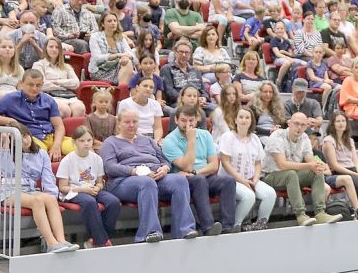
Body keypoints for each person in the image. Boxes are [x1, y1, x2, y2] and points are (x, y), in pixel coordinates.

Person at [100, 109, 199, 242]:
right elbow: (109, 167)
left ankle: (184, 229)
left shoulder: (147, 140)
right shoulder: (110, 142)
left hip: (156, 176)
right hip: (124, 181)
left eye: (134, 122)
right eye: (127, 122)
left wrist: (165, 168)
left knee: (179, 180)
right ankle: (149, 232)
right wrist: (134, 171)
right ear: (119, 123)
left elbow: (164, 159)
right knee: (146, 182)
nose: (131, 125)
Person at [0, 122, 78, 253]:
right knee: (37, 201)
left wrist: (52, 194)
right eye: (19, 138)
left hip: (31, 190)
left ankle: (61, 241)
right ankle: (51, 243)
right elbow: (6, 169)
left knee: (50, 199)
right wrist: (5, 146)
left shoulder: (41, 154)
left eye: (26, 135)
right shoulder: (8, 153)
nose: (25, 140)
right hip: (10, 191)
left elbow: (48, 176)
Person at [161, 105, 236, 235]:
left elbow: (213, 165)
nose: (188, 124)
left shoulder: (205, 135)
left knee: (228, 181)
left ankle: (227, 226)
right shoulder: (169, 141)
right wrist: (191, 140)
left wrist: (196, 172)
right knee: (199, 181)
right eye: (184, 120)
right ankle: (207, 227)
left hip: (201, 175)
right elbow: (187, 166)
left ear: (196, 120)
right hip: (182, 182)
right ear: (176, 121)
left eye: (191, 121)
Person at [262, 112, 342, 227]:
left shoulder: (304, 137)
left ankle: (320, 213)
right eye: (296, 124)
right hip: (271, 176)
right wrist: (310, 166)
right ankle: (301, 215)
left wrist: (318, 165)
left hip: (292, 176)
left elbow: (310, 159)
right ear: (289, 123)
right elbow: (282, 165)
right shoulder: (277, 136)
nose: (299, 127)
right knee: (291, 174)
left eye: (303, 125)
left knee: (316, 171)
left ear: (306, 127)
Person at [0, 69, 75, 160]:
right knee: (39, 153)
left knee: (81, 148)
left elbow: (59, 126)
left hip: (51, 136)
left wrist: (56, 145)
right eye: (30, 84)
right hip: (31, 137)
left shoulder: (49, 100)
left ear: (42, 85)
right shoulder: (10, 98)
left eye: (38, 85)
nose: (34, 88)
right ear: (21, 83)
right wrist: (11, 121)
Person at [56, 126, 120, 248]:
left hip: (92, 189)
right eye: (82, 141)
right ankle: (102, 242)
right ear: (74, 142)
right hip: (73, 191)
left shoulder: (97, 158)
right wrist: (82, 189)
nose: (86, 143)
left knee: (113, 201)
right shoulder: (68, 160)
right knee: (90, 202)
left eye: (89, 140)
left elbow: (100, 182)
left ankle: (96, 239)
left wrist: (98, 188)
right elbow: (62, 187)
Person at [218, 107, 276, 231]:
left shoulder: (255, 138)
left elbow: (258, 163)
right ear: (235, 120)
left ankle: (260, 223)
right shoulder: (228, 137)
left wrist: (255, 178)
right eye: (241, 117)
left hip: (250, 178)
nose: (244, 120)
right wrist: (241, 180)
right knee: (249, 196)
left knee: (270, 194)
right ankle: (236, 224)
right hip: (231, 179)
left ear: (251, 121)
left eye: (247, 117)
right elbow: (225, 162)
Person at [117, 76, 164, 142]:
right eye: (145, 86)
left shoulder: (156, 104)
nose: (148, 89)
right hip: (131, 138)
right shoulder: (125, 103)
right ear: (137, 87)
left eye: (151, 87)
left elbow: (158, 128)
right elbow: (121, 126)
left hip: (151, 139)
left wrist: (155, 141)